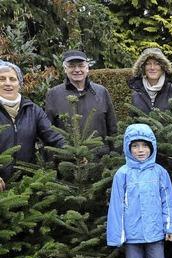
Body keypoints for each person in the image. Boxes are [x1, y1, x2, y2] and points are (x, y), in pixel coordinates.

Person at [106, 123, 172, 258]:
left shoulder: (159, 172)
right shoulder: (122, 174)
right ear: (128, 147)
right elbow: (116, 207)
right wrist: (117, 235)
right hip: (131, 234)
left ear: (152, 147)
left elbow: (168, 201)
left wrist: (170, 226)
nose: (140, 150)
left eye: (144, 146)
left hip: (155, 232)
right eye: (135, 146)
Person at [0, 60, 64, 191]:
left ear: (19, 84)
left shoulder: (33, 110)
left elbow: (53, 136)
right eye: (2, 79)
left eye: (13, 79)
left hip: (27, 185)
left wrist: (75, 153)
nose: (7, 83)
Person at [45, 50, 117, 149]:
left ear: (87, 68)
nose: (77, 70)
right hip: (68, 161)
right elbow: (49, 131)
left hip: (100, 159)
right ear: (65, 69)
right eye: (72, 66)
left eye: (81, 65)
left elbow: (112, 128)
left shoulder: (101, 92)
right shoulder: (54, 94)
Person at [128, 47, 172, 114]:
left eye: (157, 64)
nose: (152, 68)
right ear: (143, 67)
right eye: (148, 64)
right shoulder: (137, 90)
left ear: (163, 67)